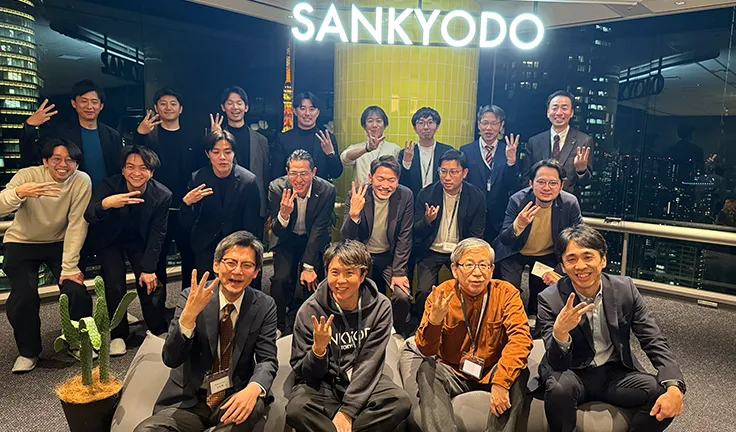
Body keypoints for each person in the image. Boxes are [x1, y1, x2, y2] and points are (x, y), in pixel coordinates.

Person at [532, 225, 686, 432]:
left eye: (588, 257)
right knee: (558, 389)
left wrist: (674, 384)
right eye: (571, 259)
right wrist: (561, 333)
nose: (580, 266)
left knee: (662, 394)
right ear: (562, 266)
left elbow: (652, 338)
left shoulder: (624, 289)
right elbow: (556, 363)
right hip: (572, 371)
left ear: (603, 260)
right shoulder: (550, 299)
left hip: (614, 372)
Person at [135, 231, 278, 432]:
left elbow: (267, 360)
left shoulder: (264, 306)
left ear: (256, 272)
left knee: (251, 407)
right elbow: (171, 359)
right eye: (231, 262)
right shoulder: (191, 297)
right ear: (216, 265)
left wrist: (254, 388)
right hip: (189, 402)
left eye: (247, 265)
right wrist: (188, 318)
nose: (238, 271)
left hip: (234, 396)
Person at [401, 238, 533, 432]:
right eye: (469, 265)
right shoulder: (441, 294)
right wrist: (435, 321)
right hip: (454, 371)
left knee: (519, 371)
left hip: (492, 369)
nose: (477, 272)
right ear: (455, 269)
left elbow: (521, 339)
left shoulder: (506, 293)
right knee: (428, 368)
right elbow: (426, 349)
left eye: (483, 265)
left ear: (492, 269)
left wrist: (502, 382)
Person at [286, 240, 411, 432]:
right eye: (334, 272)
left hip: (362, 377)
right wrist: (318, 350)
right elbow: (305, 373)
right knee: (297, 410)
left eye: (349, 273)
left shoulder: (380, 307)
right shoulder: (309, 310)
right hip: (324, 382)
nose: (341, 281)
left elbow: (370, 361)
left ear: (363, 275)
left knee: (399, 402)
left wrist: (348, 411)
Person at [1, 139, 92, 373]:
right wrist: (19, 193)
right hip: (22, 241)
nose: (63, 165)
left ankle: (77, 342)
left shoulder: (81, 180)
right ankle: (28, 351)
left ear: (77, 164)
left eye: (70, 160)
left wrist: (69, 266)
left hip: (58, 242)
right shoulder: (27, 175)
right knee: (23, 296)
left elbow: (77, 223)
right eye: (57, 159)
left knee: (76, 290)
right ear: (45, 161)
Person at [84, 146, 172, 355]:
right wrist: (106, 204)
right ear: (123, 170)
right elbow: (89, 214)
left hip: (140, 241)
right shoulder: (109, 185)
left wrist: (149, 268)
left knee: (151, 281)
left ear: (151, 172)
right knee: (114, 283)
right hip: (110, 241)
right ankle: (118, 334)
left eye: (143, 168)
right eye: (130, 167)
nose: (136, 172)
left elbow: (158, 233)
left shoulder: (162, 195)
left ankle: (157, 329)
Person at [493, 159, 583, 319]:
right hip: (515, 252)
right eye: (541, 182)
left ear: (561, 185)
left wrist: (559, 270)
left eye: (553, 183)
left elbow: (578, 239)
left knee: (543, 296)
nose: (546, 188)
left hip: (546, 254)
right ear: (531, 183)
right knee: (509, 292)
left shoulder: (569, 203)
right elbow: (505, 239)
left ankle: (536, 322)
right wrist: (518, 225)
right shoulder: (518, 200)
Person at [134, 86, 199, 290]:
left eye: (173, 104)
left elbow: (202, 167)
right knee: (156, 259)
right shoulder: (149, 137)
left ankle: (188, 303)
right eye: (163, 104)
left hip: (185, 207)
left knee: (190, 258)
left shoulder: (193, 137)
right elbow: (135, 161)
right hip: (156, 208)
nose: (168, 107)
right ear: (156, 108)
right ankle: (158, 306)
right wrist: (140, 134)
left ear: (181, 109)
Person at [341, 155, 413, 335]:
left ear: (398, 180)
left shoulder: (405, 196)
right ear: (370, 178)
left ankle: (397, 333)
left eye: (391, 180)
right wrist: (354, 215)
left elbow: (405, 236)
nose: (385, 185)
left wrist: (399, 272)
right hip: (361, 256)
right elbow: (347, 238)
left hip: (389, 257)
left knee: (402, 296)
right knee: (353, 292)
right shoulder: (357, 194)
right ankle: (357, 331)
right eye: (380, 179)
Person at [268, 149, 336, 334]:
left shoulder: (326, 190)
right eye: (293, 173)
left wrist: (308, 266)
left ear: (313, 172)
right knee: (281, 280)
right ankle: (278, 325)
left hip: (312, 238)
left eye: (304, 173)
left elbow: (319, 229)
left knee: (312, 281)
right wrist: (283, 214)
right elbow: (277, 230)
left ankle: (310, 325)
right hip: (286, 238)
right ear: (287, 172)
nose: (298, 179)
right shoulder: (277, 188)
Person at [413, 149, 486, 321]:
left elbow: (477, 235)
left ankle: (465, 322)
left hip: (461, 252)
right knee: (424, 290)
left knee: (470, 288)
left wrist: (467, 258)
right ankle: (423, 324)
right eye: (443, 171)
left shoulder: (476, 197)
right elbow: (416, 231)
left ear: (464, 173)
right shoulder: (427, 194)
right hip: (431, 250)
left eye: (453, 172)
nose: (447, 177)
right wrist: (427, 220)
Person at [179, 130, 261, 280]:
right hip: (206, 243)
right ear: (207, 154)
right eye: (216, 152)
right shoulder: (198, 178)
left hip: (237, 244)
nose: (222, 157)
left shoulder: (248, 181)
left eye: (227, 152)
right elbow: (186, 222)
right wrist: (186, 203)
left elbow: (251, 223)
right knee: (206, 287)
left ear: (234, 153)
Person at [22, 79, 123, 187]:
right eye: (84, 101)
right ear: (74, 103)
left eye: (94, 102)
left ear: (101, 106)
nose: (89, 106)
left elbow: (119, 168)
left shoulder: (113, 135)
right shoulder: (59, 132)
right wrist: (29, 126)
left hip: (106, 194)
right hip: (71, 193)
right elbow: (33, 155)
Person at [460, 105, 521, 245]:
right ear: (478, 124)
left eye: (494, 123)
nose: (489, 128)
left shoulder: (508, 150)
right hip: (472, 215)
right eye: (485, 123)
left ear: (501, 125)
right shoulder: (466, 151)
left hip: (499, 217)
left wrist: (511, 162)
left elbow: (513, 185)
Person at [210, 86, 270, 225]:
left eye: (239, 103)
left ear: (246, 107)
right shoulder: (216, 139)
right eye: (230, 103)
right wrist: (214, 137)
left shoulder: (261, 140)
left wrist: (267, 208)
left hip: (255, 207)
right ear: (223, 107)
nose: (235, 107)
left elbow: (266, 175)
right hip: (226, 208)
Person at [523, 90, 592, 195]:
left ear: (571, 113)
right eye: (554, 108)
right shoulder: (534, 142)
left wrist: (581, 170)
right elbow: (526, 179)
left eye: (564, 108)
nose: (559, 113)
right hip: (538, 201)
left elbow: (586, 183)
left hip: (567, 202)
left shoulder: (584, 141)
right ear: (548, 112)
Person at [271, 92, 343, 181]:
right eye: (303, 108)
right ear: (294, 111)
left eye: (312, 109)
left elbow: (336, 173)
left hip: (320, 189)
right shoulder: (283, 139)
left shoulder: (327, 138)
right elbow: (276, 175)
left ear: (318, 112)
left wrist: (330, 154)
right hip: (292, 188)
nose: (307, 113)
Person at [398, 107, 454, 197]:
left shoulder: (447, 151)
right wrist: (406, 163)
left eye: (430, 122)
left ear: (437, 126)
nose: (426, 127)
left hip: (440, 199)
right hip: (414, 200)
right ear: (415, 128)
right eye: (421, 123)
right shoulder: (405, 153)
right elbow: (401, 183)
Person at [340, 105, 401, 183]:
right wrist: (366, 149)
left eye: (379, 121)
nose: (374, 125)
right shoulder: (356, 148)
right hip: (361, 190)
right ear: (364, 125)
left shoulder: (394, 148)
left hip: (385, 189)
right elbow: (344, 159)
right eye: (370, 121)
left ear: (385, 125)